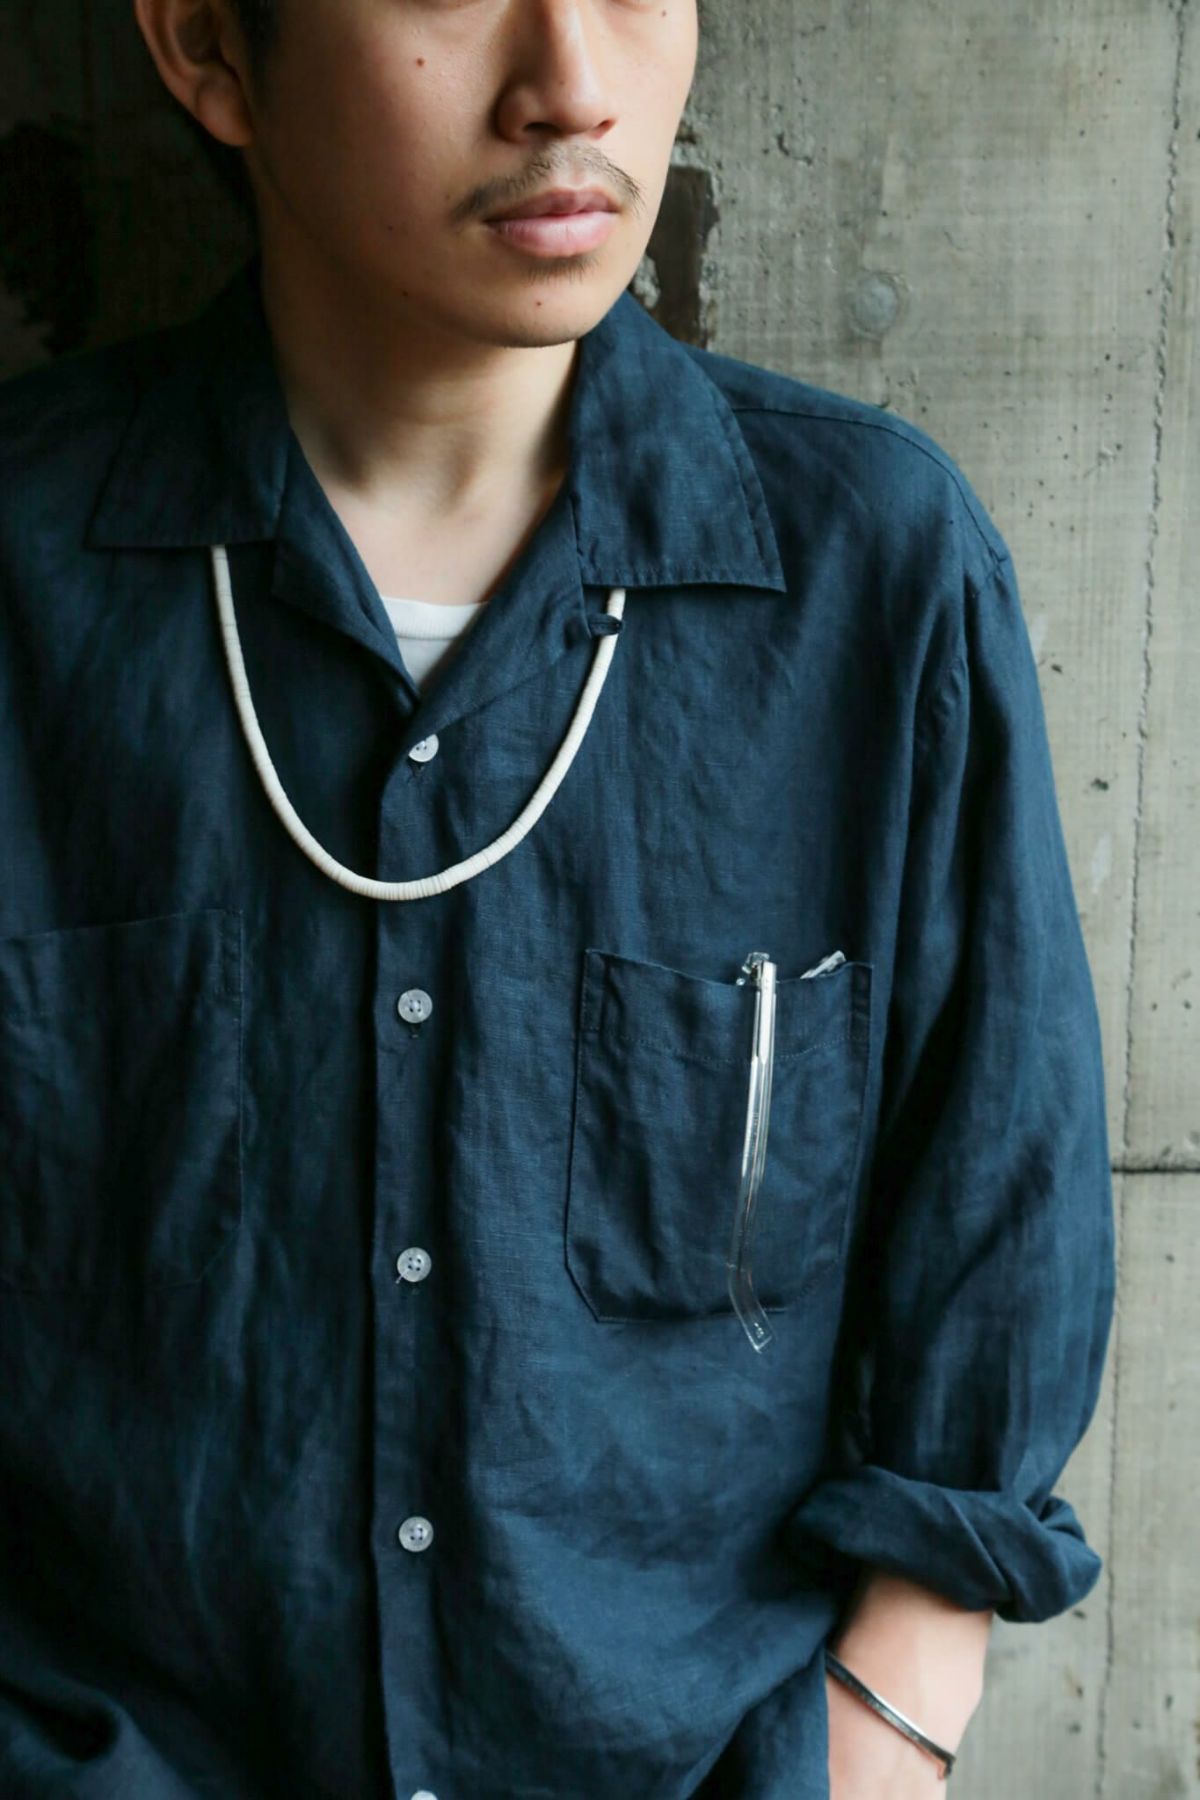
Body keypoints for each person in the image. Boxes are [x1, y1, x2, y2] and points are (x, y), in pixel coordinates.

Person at [0, 1, 1115, 1795]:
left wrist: (887, 1728)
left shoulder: (874, 576)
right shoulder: (27, 576)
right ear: (208, 46)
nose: (574, 85)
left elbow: (998, 1203)